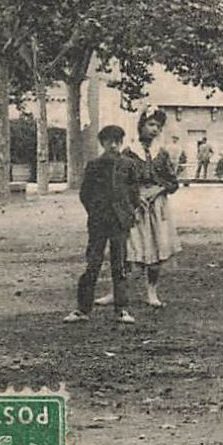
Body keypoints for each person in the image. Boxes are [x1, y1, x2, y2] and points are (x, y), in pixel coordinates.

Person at [103, 107, 180, 310]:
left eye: (159, 126)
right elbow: (120, 181)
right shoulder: (128, 152)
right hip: (134, 206)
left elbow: (172, 182)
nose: (155, 130)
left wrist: (156, 191)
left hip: (156, 207)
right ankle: (116, 291)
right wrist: (135, 196)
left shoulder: (161, 154)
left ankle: (151, 292)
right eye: (151, 124)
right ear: (141, 126)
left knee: (156, 248)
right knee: (126, 249)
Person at [67, 125, 138, 325]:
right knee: (93, 263)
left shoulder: (129, 165)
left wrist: (127, 213)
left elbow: (134, 194)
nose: (113, 145)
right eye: (109, 141)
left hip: (120, 222)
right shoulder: (94, 165)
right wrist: (95, 212)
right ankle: (82, 309)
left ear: (122, 142)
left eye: (117, 141)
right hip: (99, 222)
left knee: (121, 264)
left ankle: (122, 309)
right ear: (102, 143)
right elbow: (85, 194)